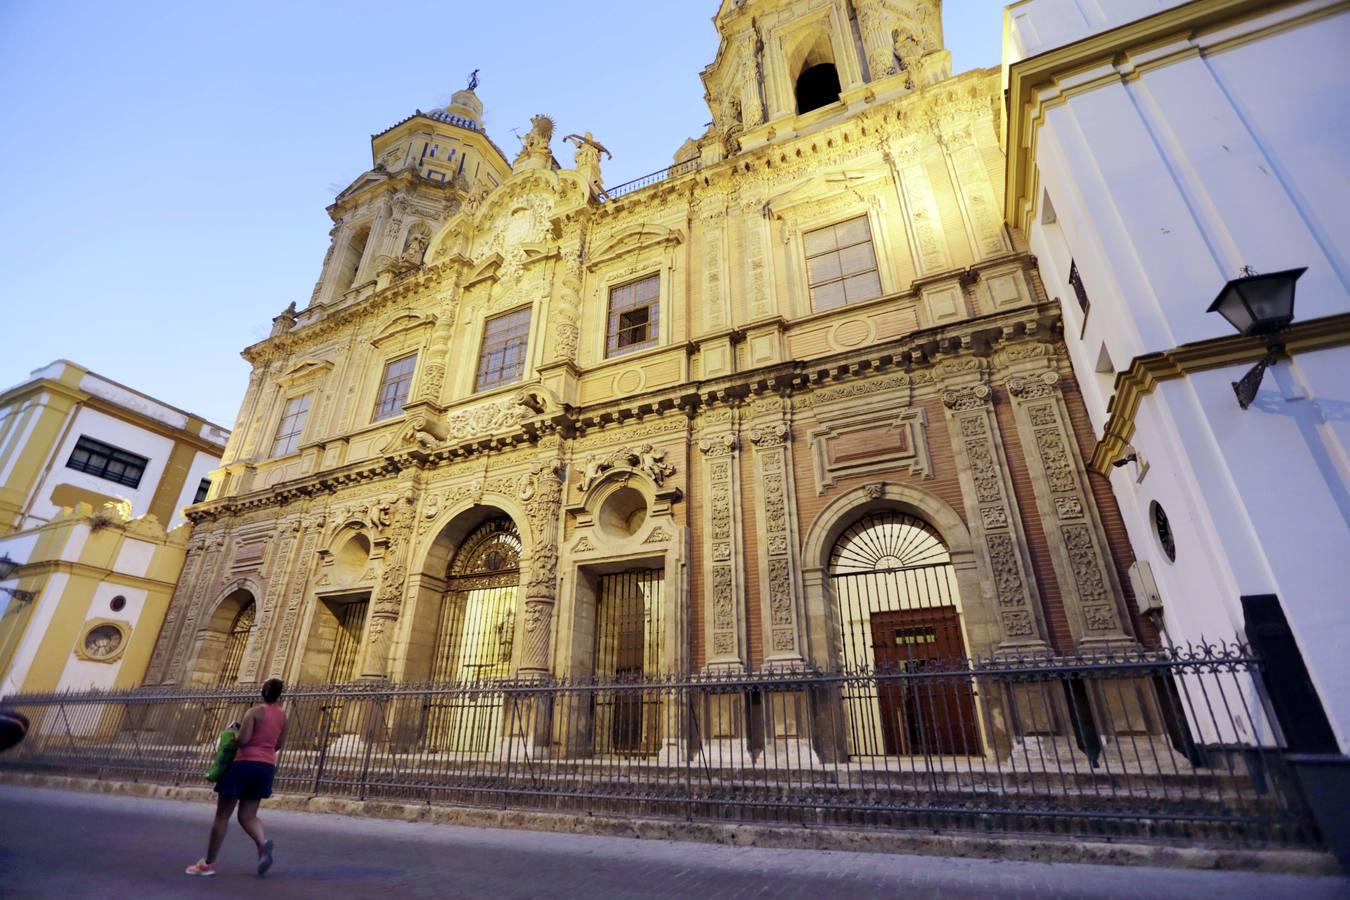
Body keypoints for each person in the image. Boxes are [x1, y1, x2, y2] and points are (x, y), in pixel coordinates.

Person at [185, 678, 288, 877]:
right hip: (266, 767)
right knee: (248, 815)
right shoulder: (283, 716)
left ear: (262, 693)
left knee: (222, 816)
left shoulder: (254, 712)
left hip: (243, 764)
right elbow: (278, 744)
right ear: (279, 695)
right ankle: (261, 843)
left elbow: (243, 740)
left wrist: (234, 732)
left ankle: (208, 863)